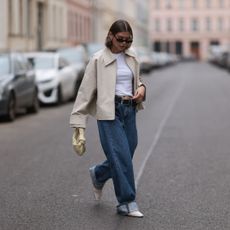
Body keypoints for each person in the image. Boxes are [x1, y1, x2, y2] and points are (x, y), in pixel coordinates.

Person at [70, 19, 146, 218]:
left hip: (129, 110)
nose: (124, 44)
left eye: (128, 41)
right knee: (121, 156)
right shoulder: (98, 59)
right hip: (109, 112)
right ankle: (126, 202)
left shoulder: (132, 56)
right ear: (111, 36)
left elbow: (137, 80)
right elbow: (85, 93)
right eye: (121, 40)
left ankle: (99, 174)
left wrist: (142, 88)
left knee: (127, 152)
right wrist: (79, 126)